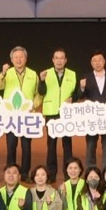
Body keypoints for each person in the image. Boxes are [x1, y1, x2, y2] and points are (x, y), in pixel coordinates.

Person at [79, 50, 106, 170]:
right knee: (91, 145)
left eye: (100, 60)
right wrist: (82, 88)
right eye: (94, 61)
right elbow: (81, 96)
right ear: (91, 63)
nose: (97, 63)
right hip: (92, 117)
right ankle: (91, 171)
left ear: (104, 61)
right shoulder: (86, 78)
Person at [38, 49, 77, 182]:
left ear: (65, 60)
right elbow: (41, 92)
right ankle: (51, 174)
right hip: (51, 112)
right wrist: (42, 81)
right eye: (57, 58)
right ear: (53, 60)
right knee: (51, 145)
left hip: (67, 113)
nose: (59, 60)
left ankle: (68, 174)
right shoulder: (46, 73)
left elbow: (77, 92)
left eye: (62, 58)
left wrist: (73, 97)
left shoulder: (72, 74)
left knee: (67, 145)